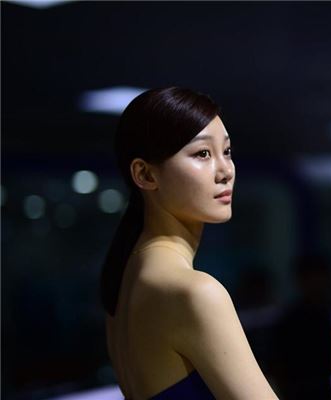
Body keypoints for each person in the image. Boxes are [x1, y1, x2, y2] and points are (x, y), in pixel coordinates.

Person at [99, 87, 279, 399]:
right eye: (202, 154)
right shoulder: (194, 292)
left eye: (227, 151)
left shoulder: (125, 280)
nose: (225, 171)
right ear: (145, 174)